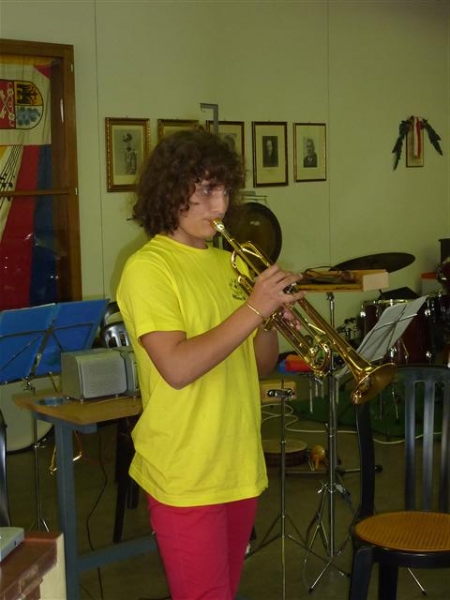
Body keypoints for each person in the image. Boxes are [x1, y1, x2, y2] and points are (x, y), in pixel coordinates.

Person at [116, 129, 304, 600]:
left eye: (223, 191)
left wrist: (269, 322)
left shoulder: (229, 265)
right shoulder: (148, 268)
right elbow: (177, 369)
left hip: (237, 462)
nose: (219, 206)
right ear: (170, 191)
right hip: (186, 470)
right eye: (204, 191)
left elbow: (259, 365)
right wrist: (255, 308)